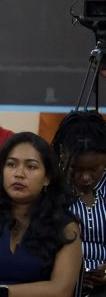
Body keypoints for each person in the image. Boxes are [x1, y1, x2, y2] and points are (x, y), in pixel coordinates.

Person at [0, 132, 82, 297]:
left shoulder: (66, 227)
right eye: (11, 165)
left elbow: (60, 291)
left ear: (47, 178)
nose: (19, 173)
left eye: (31, 166)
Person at [51, 111, 106, 296]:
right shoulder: (49, 188)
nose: (85, 177)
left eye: (94, 169)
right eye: (76, 168)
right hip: (58, 283)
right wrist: (70, 276)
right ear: (62, 156)